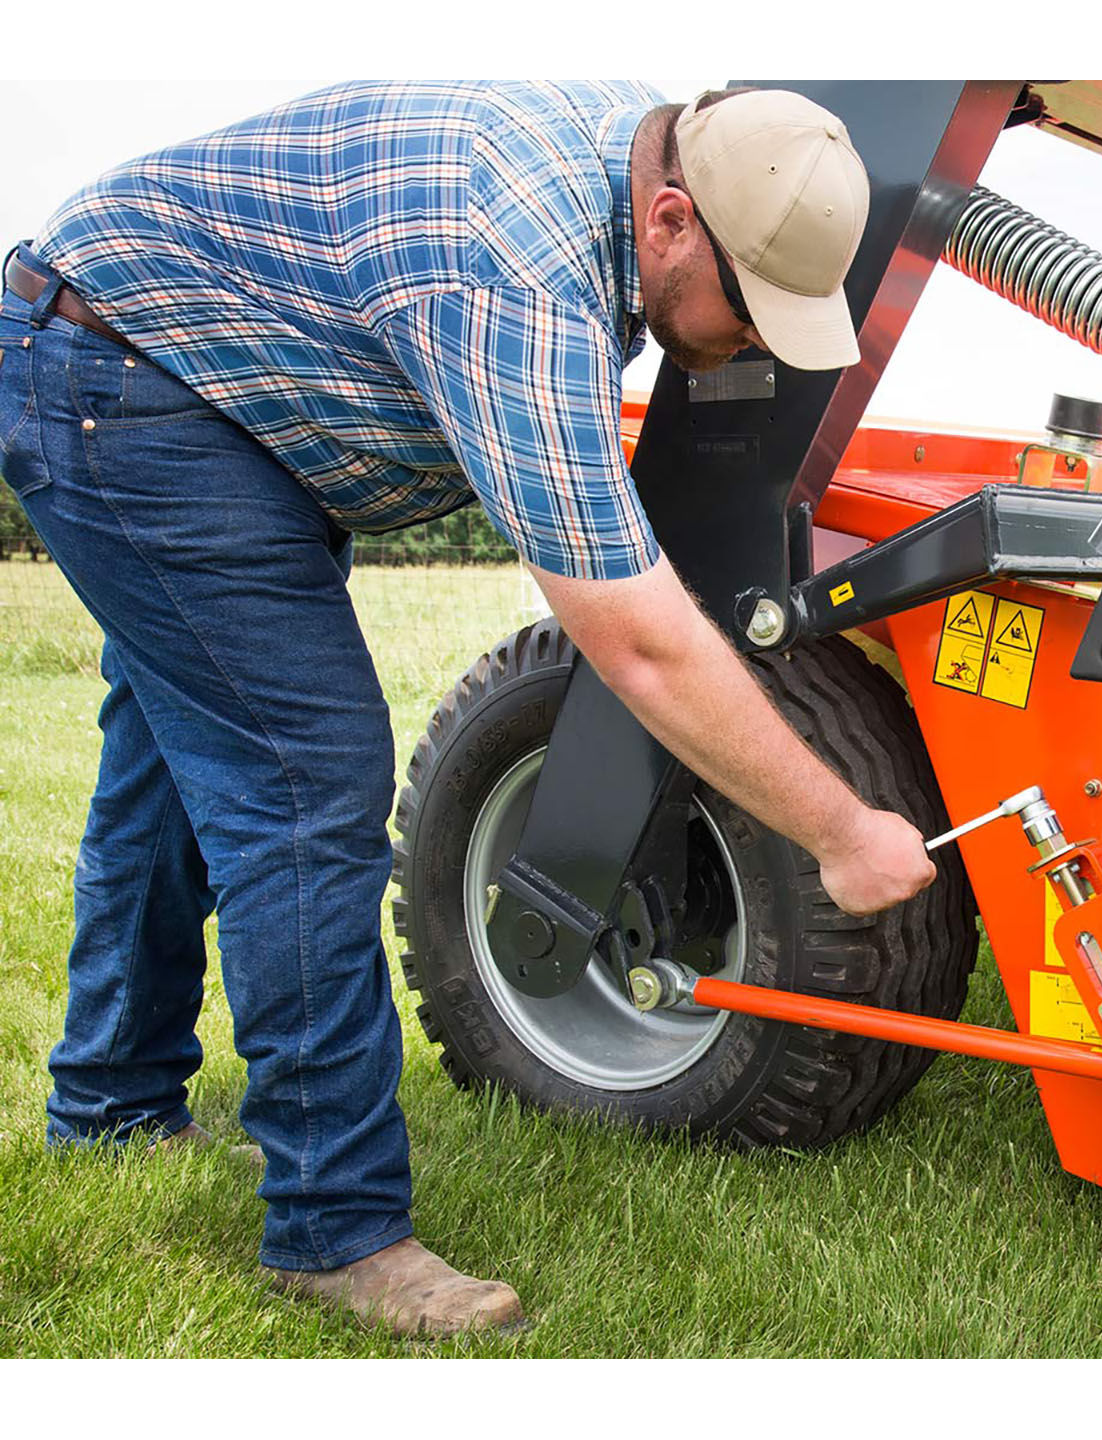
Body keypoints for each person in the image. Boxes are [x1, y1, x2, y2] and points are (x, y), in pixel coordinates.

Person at [0, 81, 936, 1338]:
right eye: (751, 313)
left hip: (208, 390)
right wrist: (837, 831)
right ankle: (335, 1229)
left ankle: (110, 1107)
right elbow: (641, 648)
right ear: (669, 220)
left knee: (174, 763)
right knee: (304, 783)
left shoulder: (650, 168)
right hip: (124, 379)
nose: (757, 344)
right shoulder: (513, 270)